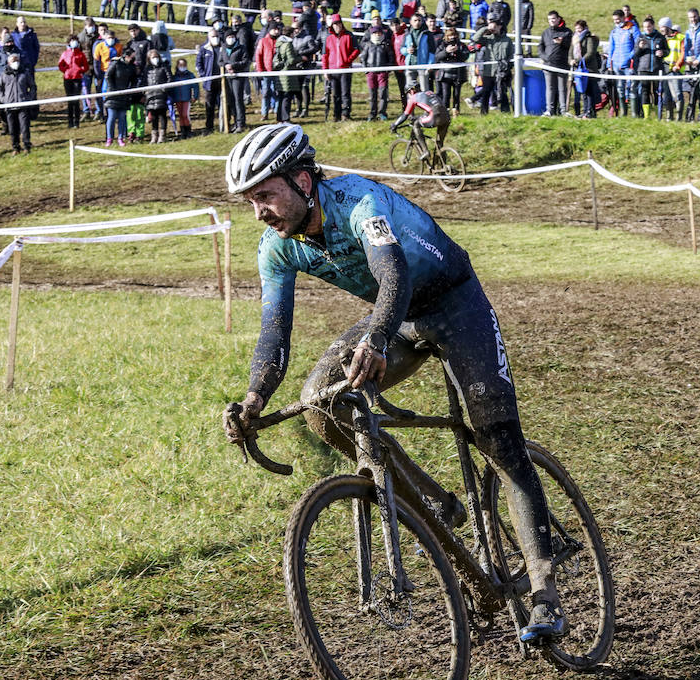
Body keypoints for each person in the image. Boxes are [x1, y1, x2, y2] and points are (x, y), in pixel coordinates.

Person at [223, 124, 568, 645]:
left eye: (266, 195)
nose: (260, 211)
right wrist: (253, 399)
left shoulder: (361, 201)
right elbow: (275, 332)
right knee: (321, 402)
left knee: (497, 439)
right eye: (251, 201)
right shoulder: (277, 248)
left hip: (453, 305)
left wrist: (377, 340)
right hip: (399, 319)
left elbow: (395, 276)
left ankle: (544, 590)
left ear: (302, 180)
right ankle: (436, 504)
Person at [0, 50, 36, 154]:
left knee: (24, 128)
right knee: (12, 129)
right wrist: (4, 100)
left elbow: (32, 86)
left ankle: (27, 146)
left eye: (17, 60)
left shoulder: (25, 73)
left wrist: (29, 98)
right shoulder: (4, 75)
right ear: (9, 63)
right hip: (10, 106)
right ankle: (15, 147)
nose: (16, 62)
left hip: (23, 105)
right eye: (13, 61)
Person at [322, 14, 358, 121]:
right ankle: (336, 115)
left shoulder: (349, 35)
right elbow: (325, 55)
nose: (337, 26)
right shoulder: (328, 38)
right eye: (335, 24)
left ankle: (346, 114)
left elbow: (356, 50)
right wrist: (325, 70)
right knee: (335, 94)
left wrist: (348, 60)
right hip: (333, 70)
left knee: (345, 93)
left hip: (345, 69)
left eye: (338, 23)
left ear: (342, 24)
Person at [391, 82, 448, 147]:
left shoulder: (413, 98)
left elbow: (405, 115)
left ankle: (425, 151)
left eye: (408, 93)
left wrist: (395, 124)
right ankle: (440, 155)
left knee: (416, 124)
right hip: (446, 115)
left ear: (412, 90)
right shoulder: (429, 92)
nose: (408, 95)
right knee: (439, 145)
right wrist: (419, 117)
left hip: (434, 115)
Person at [540, 10, 573, 116]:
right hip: (548, 65)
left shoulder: (567, 32)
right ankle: (549, 110)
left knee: (562, 88)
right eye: (549, 19)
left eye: (553, 18)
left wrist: (562, 42)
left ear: (559, 19)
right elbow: (540, 46)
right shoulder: (546, 32)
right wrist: (544, 57)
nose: (551, 21)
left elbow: (571, 47)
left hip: (562, 65)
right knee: (549, 88)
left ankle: (563, 110)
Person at [59, 34, 89, 128]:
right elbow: (60, 65)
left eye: (75, 40)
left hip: (77, 78)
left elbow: (86, 66)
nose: (74, 42)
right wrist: (66, 71)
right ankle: (70, 122)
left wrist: (80, 70)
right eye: (72, 40)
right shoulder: (65, 53)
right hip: (68, 79)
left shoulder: (80, 54)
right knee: (69, 100)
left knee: (76, 101)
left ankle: (76, 122)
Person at [170, 56, 196, 137]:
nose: (182, 67)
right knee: (180, 115)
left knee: (185, 114)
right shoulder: (174, 77)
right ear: (177, 66)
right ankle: (183, 132)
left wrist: (195, 96)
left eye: (184, 65)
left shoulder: (190, 75)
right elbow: (172, 88)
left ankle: (188, 130)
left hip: (186, 98)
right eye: (180, 65)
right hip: (177, 99)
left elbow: (195, 86)